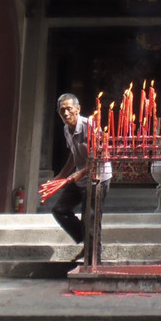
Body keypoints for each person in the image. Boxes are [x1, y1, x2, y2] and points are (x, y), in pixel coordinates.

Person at [45, 93, 111, 263]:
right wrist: (61, 175)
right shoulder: (66, 128)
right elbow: (73, 154)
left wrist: (79, 173)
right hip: (80, 176)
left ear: (78, 109)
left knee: (90, 217)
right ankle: (89, 243)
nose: (66, 114)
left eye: (69, 109)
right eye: (62, 111)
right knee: (60, 210)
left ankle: (93, 259)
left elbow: (99, 156)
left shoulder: (89, 126)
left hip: (98, 176)